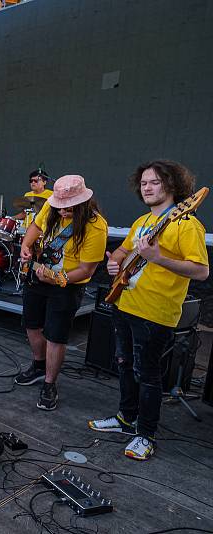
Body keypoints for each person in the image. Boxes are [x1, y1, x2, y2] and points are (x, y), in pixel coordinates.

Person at [88, 160, 208, 461]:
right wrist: (114, 262)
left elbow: (202, 271)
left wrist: (158, 257)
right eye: (143, 183)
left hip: (155, 314)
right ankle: (126, 419)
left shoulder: (186, 224)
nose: (148, 187)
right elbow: (122, 251)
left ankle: (146, 434)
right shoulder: (142, 221)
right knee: (125, 365)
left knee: (148, 374)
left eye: (155, 182)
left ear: (172, 185)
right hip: (125, 304)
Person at [16, 175, 108, 410]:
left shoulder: (96, 226)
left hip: (67, 284)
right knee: (31, 324)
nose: (63, 211)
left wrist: (59, 279)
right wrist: (26, 246)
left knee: (56, 335)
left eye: (69, 208)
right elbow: (36, 226)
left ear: (82, 203)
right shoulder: (51, 205)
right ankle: (38, 366)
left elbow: (87, 269)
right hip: (38, 275)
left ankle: (49, 383)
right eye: (60, 206)